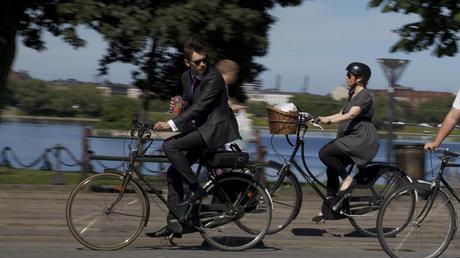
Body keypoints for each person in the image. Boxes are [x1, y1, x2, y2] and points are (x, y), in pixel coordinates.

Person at [146, 39, 241, 238]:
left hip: (215, 128)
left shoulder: (214, 77)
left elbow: (200, 107)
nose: (202, 64)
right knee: (173, 174)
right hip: (200, 128)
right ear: (187, 63)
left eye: (204, 60)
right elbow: (190, 104)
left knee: (169, 146)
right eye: (197, 62)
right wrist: (179, 105)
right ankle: (175, 224)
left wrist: (172, 124)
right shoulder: (185, 77)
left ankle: (196, 188)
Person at [314, 62, 379, 221]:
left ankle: (348, 179)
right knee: (331, 169)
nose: (346, 77)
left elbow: (351, 114)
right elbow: (341, 113)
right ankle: (330, 208)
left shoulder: (365, 95)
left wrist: (330, 122)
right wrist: (323, 118)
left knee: (325, 152)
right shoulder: (352, 95)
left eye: (349, 75)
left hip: (361, 139)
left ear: (359, 78)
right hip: (352, 137)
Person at [215, 59, 252, 151]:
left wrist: (235, 106)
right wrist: (235, 107)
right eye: (236, 73)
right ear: (230, 73)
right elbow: (221, 106)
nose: (236, 76)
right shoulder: (219, 85)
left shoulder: (222, 85)